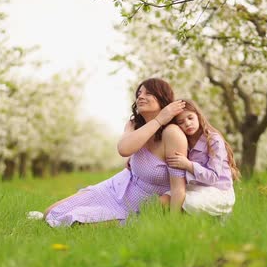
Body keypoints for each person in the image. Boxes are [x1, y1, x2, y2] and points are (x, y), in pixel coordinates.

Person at [26, 78, 188, 227]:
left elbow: (178, 189)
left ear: (163, 99)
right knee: (50, 212)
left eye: (149, 93)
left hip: (141, 201)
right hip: (117, 186)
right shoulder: (133, 125)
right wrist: (159, 119)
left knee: (74, 223)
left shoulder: (172, 134)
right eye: (139, 93)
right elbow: (124, 149)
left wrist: (172, 224)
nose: (140, 97)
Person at [161, 99, 240, 218]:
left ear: (198, 116)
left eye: (190, 118)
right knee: (163, 200)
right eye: (181, 122)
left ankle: (218, 221)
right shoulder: (183, 141)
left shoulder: (213, 140)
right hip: (196, 188)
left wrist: (188, 165)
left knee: (184, 203)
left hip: (218, 191)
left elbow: (213, 177)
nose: (187, 124)